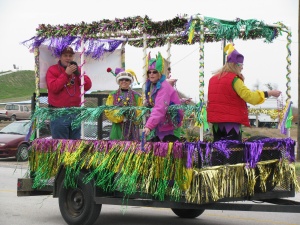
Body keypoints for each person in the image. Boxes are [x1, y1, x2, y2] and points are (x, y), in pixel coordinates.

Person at [207, 43, 281, 142]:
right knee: (233, 152)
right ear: (235, 65)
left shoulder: (213, 79)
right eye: (241, 65)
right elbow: (250, 97)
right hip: (231, 124)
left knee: (218, 152)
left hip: (217, 124)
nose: (242, 68)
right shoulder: (234, 80)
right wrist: (269, 93)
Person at [46, 46, 92, 139]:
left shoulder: (77, 69)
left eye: (70, 56)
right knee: (61, 145)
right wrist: (66, 74)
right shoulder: (52, 70)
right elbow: (53, 88)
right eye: (65, 55)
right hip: (59, 113)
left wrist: (78, 74)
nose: (68, 58)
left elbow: (87, 86)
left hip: (75, 112)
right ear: (60, 57)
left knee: (74, 145)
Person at [143, 52, 183, 142]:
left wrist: (149, 125)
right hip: (159, 126)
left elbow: (160, 107)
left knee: (168, 153)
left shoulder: (163, 86)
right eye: (149, 72)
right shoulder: (152, 86)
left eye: (154, 72)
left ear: (159, 73)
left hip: (170, 127)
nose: (151, 74)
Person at [105, 68, 142, 140]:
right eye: (121, 80)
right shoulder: (112, 95)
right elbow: (108, 111)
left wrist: (131, 113)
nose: (124, 81)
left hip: (132, 128)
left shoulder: (137, 96)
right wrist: (121, 115)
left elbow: (140, 111)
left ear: (130, 81)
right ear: (118, 81)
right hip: (117, 128)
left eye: (127, 80)